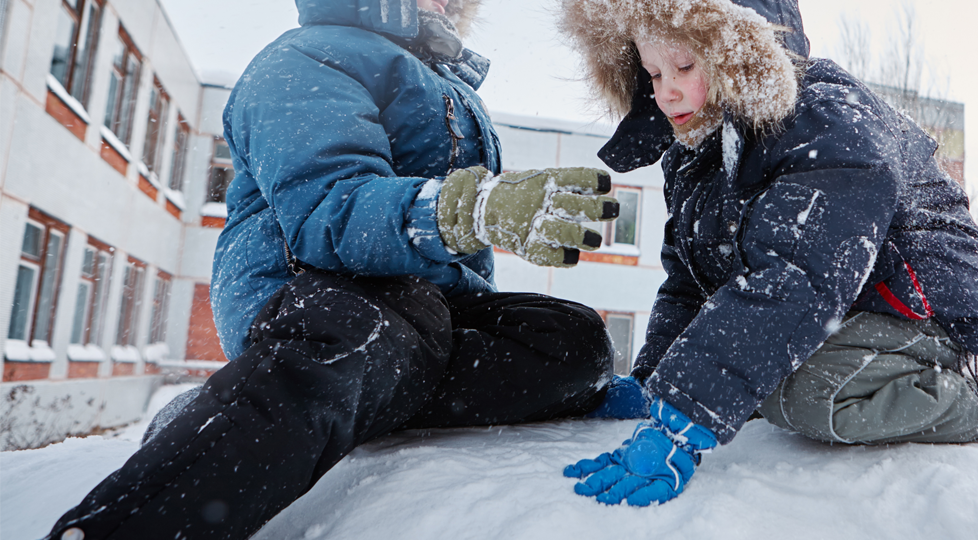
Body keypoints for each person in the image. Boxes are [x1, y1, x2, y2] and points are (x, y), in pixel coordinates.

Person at [48, 1, 627, 538]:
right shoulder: (308, 57)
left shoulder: (447, 86)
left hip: (426, 311)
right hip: (315, 291)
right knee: (374, 334)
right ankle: (130, 514)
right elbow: (328, 210)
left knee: (568, 339)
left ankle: (329, 403)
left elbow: (463, 261)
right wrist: (469, 209)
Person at [558, 0, 978, 507]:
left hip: (920, 303)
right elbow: (691, 283)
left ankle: (965, 405)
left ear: (738, 52)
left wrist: (683, 420)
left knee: (804, 395)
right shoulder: (697, 152)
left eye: (685, 66)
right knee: (766, 381)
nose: (667, 91)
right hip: (838, 306)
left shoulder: (822, 119)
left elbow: (796, 272)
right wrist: (654, 383)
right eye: (653, 73)